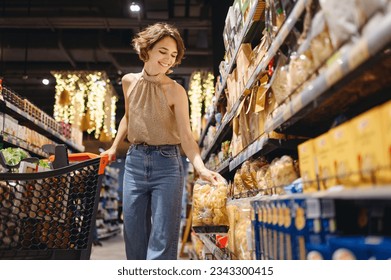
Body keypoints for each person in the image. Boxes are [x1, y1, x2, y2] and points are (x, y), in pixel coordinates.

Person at [101, 22, 223, 260]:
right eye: (163, 51)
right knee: (133, 234)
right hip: (134, 162)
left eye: (174, 55)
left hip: (167, 164)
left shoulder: (175, 91)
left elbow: (186, 137)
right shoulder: (129, 81)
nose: (168, 59)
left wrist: (201, 168)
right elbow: (128, 116)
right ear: (147, 49)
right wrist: (114, 147)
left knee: (162, 238)